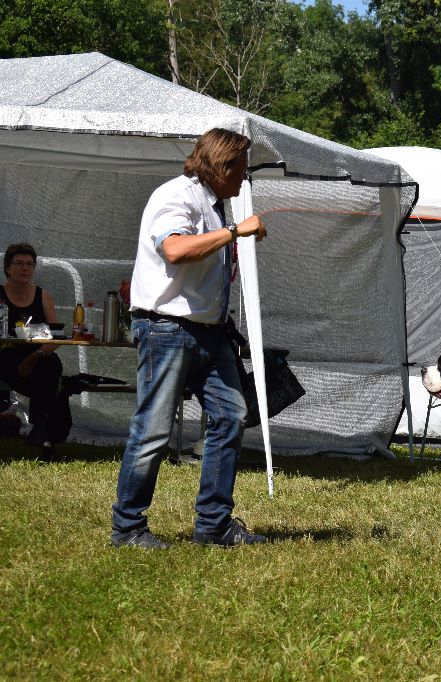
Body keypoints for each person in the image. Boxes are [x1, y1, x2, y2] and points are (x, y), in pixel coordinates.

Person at [111, 128, 268, 549]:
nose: (244, 178)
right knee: (153, 432)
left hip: (208, 332)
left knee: (231, 416)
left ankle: (213, 524)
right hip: (166, 328)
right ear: (222, 165)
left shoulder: (214, 205)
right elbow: (176, 251)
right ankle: (128, 528)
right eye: (241, 169)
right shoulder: (175, 196)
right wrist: (236, 232)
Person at [0, 243, 66, 448]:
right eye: (18, 263)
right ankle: (41, 428)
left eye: (29, 264)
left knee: (50, 365)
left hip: (38, 355)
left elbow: (55, 337)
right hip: (5, 355)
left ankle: (39, 426)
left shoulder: (43, 296)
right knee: (41, 372)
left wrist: (35, 355)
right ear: (7, 267)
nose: (24, 268)